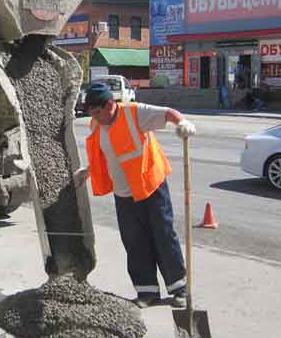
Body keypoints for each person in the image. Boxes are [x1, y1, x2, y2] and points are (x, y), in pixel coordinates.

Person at [74, 86, 196, 309]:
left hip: (150, 187)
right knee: (134, 241)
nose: (94, 119)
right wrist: (88, 171)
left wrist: (182, 123)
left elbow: (169, 113)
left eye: (97, 113)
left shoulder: (134, 112)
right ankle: (147, 291)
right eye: (91, 113)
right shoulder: (97, 123)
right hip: (124, 193)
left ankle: (179, 288)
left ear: (110, 104)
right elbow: (108, 154)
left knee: (163, 235)